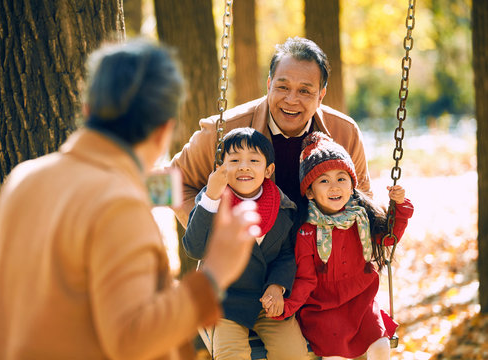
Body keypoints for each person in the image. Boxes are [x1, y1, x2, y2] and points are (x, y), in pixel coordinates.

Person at [0, 39, 262, 360]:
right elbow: (131, 339)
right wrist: (213, 275)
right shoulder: (118, 204)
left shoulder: (24, 180)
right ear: (163, 130)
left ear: (88, 110)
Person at [169, 36, 371, 228]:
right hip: (247, 257)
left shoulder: (345, 132)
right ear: (269, 85)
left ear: (321, 95)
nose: (291, 100)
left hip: (319, 258)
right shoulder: (222, 130)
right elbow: (168, 182)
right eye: (282, 87)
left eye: (304, 91)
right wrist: (207, 233)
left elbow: (364, 197)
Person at [268, 132, 414, 360]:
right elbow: (306, 278)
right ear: (309, 191)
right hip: (324, 308)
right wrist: (288, 307)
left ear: (352, 185)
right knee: (335, 356)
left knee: (381, 347)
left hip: (361, 300)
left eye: (341, 179)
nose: (334, 187)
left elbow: (389, 238)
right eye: (324, 181)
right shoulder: (307, 231)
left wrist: (399, 206)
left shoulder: (362, 218)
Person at [183, 127, 311, 359]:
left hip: (266, 299)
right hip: (226, 301)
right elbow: (195, 249)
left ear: (269, 170)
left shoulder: (282, 207)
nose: (244, 166)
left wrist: (278, 286)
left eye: (253, 160)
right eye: (234, 160)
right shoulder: (212, 202)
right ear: (221, 169)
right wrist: (211, 197)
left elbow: (285, 254)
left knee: (293, 353)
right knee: (230, 354)